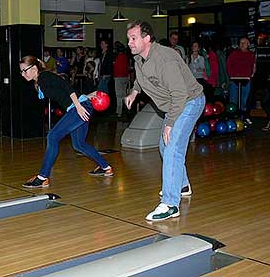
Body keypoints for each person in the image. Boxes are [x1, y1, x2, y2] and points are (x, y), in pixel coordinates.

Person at [125, 21, 205, 221]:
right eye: (129, 39)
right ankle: (182, 185)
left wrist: (169, 124)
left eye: (133, 38)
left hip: (188, 102)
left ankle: (170, 204)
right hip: (174, 104)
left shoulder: (165, 59)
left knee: (171, 149)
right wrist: (134, 92)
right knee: (164, 146)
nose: (130, 43)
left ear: (147, 38)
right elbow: (140, 78)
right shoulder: (139, 58)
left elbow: (179, 94)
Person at [19, 56, 114, 188]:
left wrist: (79, 106)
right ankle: (105, 167)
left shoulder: (44, 76)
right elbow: (65, 91)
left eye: (25, 70)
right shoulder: (41, 80)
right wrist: (85, 97)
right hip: (80, 105)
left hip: (78, 108)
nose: (23, 74)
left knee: (52, 136)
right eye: (21, 71)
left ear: (34, 68)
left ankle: (42, 177)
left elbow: (66, 85)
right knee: (79, 144)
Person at [226, 37, 256, 124]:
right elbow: (228, 64)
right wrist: (231, 75)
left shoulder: (251, 54)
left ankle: (242, 119)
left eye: (244, 42)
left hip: (246, 79)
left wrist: (252, 74)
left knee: (244, 101)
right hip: (234, 80)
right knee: (233, 101)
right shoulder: (234, 54)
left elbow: (253, 65)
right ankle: (232, 120)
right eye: (241, 42)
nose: (242, 44)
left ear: (248, 44)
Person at [113, 41, 130, 117]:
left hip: (118, 77)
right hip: (125, 76)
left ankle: (119, 112)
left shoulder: (117, 57)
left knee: (118, 95)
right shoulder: (125, 56)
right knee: (124, 94)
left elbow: (117, 68)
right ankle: (126, 109)